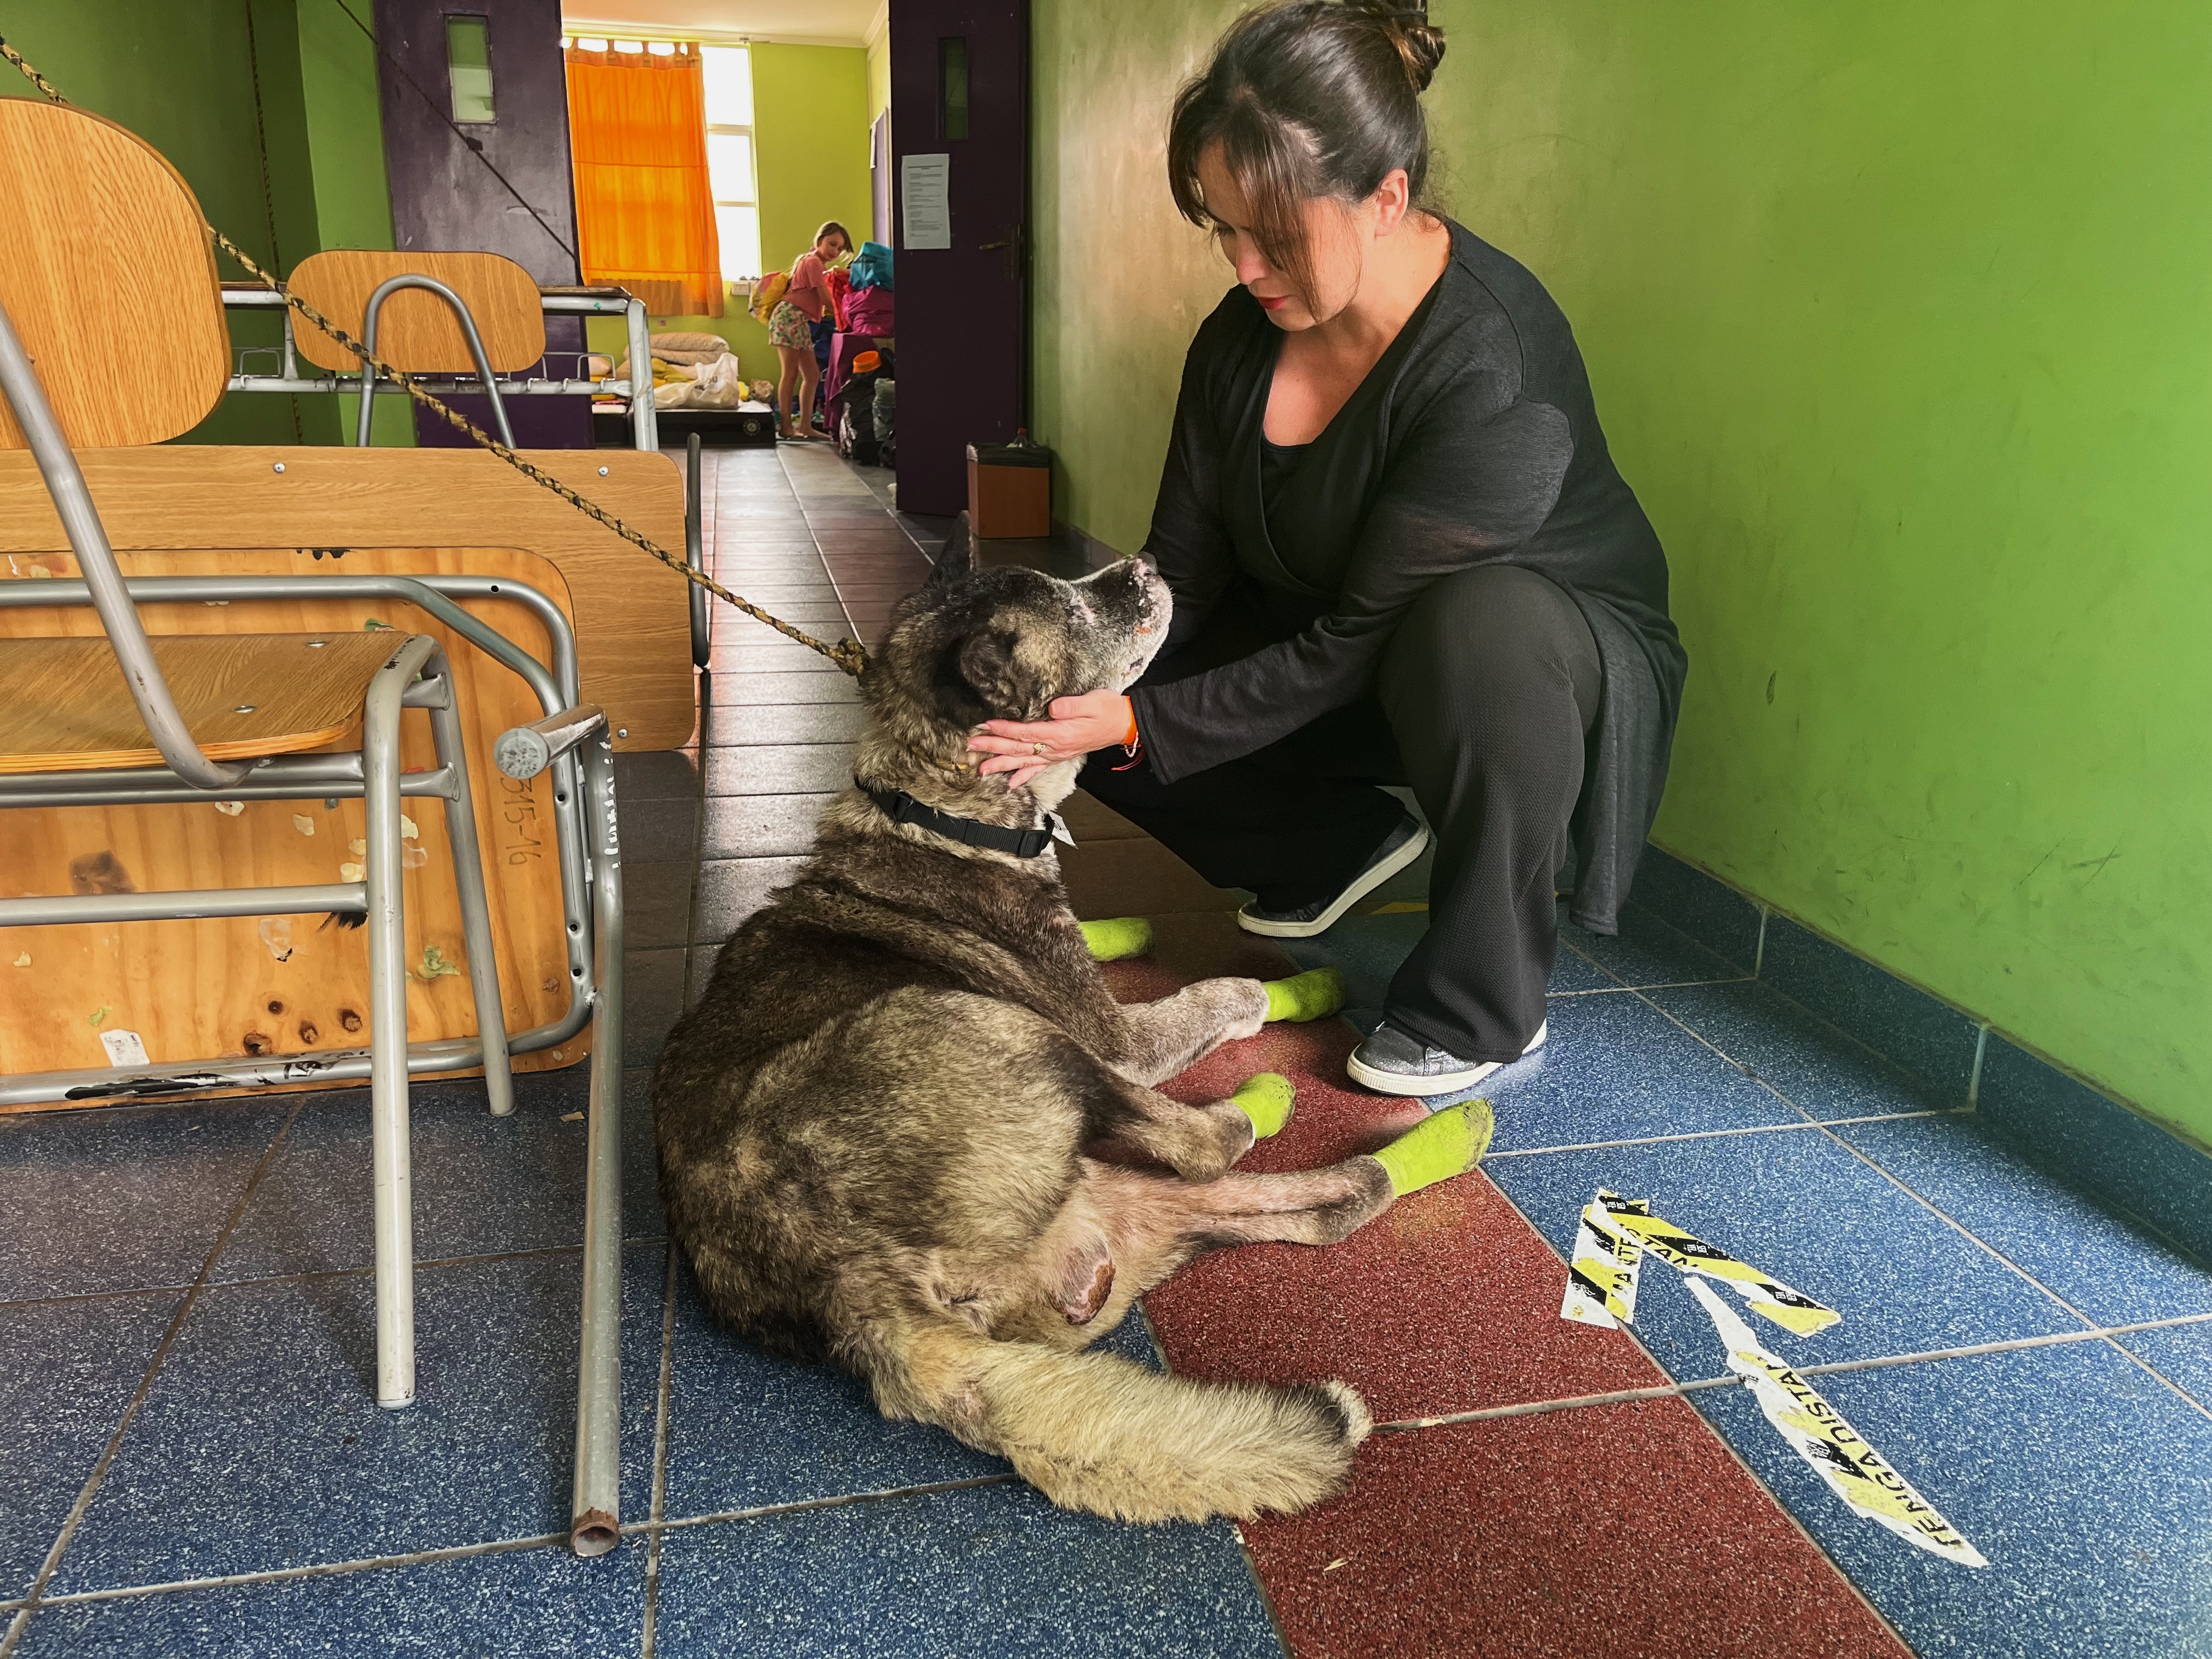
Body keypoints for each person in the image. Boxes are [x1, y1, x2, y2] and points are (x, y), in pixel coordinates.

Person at [966, 0, 1688, 1098]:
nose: (1246, 265)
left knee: (1475, 631)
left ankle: (1490, 1001)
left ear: (1387, 196)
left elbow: (1363, 639)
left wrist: (1141, 717)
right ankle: (1327, 846)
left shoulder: (1493, 364)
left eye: (1276, 232)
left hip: (1522, 662)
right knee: (1093, 721)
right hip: (1338, 639)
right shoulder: (1237, 340)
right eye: (1222, 228)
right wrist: (1074, 678)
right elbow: (1181, 573)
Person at [769, 221, 849, 441]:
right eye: (832, 244)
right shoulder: (813, 262)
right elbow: (824, 297)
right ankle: (786, 426)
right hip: (789, 316)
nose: (835, 251)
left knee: (813, 375)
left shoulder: (814, 263)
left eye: (840, 248)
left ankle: (805, 425)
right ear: (820, 240)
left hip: (798, 320)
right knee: (790, 373)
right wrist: (845, 314)